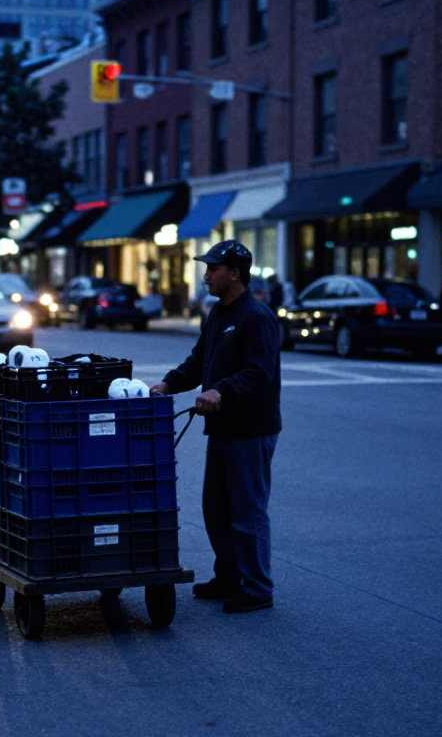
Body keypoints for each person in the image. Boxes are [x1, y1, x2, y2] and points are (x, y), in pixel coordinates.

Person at [148, 240, 282, 614]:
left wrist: (220, 390)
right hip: (222, 427)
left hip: (251, 429)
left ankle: (257, 587)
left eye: (213, 268)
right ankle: (229, 577)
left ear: (234, 273)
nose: (206, 274)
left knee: (247, 510)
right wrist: (168, 384)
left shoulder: (257, 317)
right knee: (217, 508)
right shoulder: (217, 312)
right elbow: (198, 361)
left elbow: (258, 373)